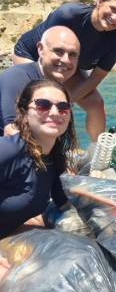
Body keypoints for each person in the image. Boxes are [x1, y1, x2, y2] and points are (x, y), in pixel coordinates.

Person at [13, 0, 116, 141]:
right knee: (37, 100)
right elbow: (48, 55)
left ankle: (98, 149)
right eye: (113, 9)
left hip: (68, 65)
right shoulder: (68, 15)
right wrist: (55, 99)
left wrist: (67, 101)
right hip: (33, 55)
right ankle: (23, 143)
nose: (114, 17)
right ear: (99, 2)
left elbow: (95, 78)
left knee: (95, 103)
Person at [0, 79, 76, 237]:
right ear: (24, 113)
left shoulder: (54, 158)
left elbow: (64, 201)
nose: (55, 112)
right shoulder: (7, 151)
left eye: (63, 107)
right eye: (43, 105)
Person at [0, 26, 80, 136]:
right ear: (40, 49)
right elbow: (11, 132)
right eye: (58, 51)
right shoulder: (17, 77)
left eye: (72, 54)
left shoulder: (57, 88)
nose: (66, 60)